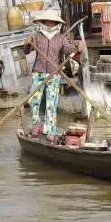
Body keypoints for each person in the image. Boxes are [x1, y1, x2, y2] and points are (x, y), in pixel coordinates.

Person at [23, 11, 83, 142]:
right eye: (47, 22)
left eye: (52, 22)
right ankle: (36, 123)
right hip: (38, 72)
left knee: (51, 103)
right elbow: (26, 51)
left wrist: (77, 48)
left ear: (56, 24)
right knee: (33, 101)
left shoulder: (60, 38)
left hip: (54, 73)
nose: (49, 24)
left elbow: (69, 50)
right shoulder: (37, 36)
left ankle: (50, 130)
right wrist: (27, 43)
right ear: (43, 23)